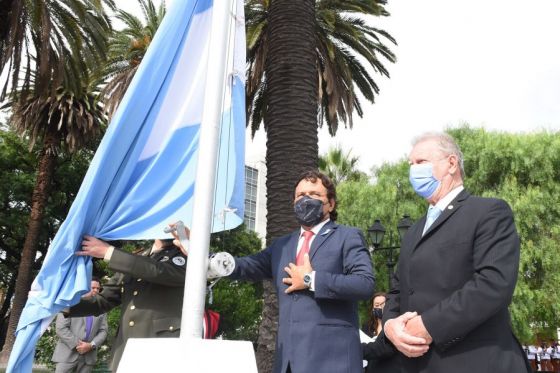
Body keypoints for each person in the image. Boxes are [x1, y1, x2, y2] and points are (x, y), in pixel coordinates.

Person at [382, 132, 531, 372]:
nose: (413, 170)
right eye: (410, 164)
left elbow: (493, 284)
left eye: (421, 162)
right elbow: (397, 290)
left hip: (476, 361)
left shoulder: (488, 212)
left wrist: (429, 325)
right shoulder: (413, 231)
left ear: (451, 163)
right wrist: (390, 325)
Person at [216, 170, 375, 373]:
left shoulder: (347, 237)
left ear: (331, 204)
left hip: (332, 361)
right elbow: (245, 266)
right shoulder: (282, 245)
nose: (306, 199)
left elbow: (364, 284)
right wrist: (208, 258)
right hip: (288, 363)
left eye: (314, 194)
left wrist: (311, 279)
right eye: (300, 195)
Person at [68, 237, 189, 372]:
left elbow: (157, 271)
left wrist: (109, 252)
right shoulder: (137, 257)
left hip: (161, 348)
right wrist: (63, 305)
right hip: (126, 347)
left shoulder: (188, 254)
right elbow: (103, 300)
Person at [51, 277, 108, 373]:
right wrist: (80, 345)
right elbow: (61, 328)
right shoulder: (70, 303)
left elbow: (103, 331)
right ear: (85, 287)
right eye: (93, 288)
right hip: (67, 355)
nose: (96, 290)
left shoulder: (101, 309)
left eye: (98, 288)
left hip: (88, 358)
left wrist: (91, 345)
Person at [361, 293, 399, 373]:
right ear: (372, 308)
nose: (380, 307)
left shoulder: (393, 323)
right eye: (377, 305)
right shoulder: (367, 326)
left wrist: (359, 349)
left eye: (383, 304)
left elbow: (386, 348)